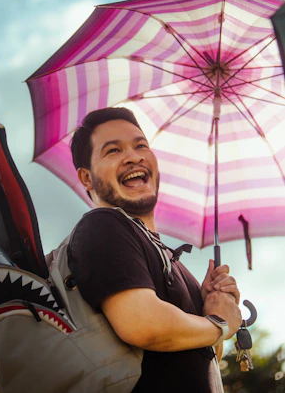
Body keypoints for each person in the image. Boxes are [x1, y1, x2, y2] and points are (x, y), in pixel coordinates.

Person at [68, 107, 242, 392]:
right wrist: (220, 324)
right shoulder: (103, 225)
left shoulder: (172, 261)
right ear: (87, 178)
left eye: (141, 145)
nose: (134, 156)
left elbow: (205, 359)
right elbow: (142, 324)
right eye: (113, 151)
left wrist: (211, 306)